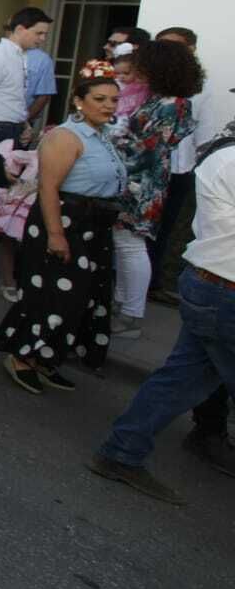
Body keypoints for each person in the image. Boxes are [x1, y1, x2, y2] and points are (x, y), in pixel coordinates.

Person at [89, 106, 235, 504]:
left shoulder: (223, 153)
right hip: (224, 289)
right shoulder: (231, 158)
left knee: (180, 379)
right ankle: (121, 452)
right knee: (180, 378)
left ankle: (121, 452)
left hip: (212, 284)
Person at [0, 65, 127, 393]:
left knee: (78, 299)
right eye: (99, 98)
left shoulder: (103, 136)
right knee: (51, 296)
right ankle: (20, 356)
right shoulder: (65, 136)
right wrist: (56, 234)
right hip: (64, 223)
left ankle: (45, 359)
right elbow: (49, 188)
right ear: (79, 101)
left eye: (114, 99)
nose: (109, 105)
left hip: (92, 228)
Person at [110, 39, 202, 339]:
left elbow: (147, 149)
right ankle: (122, 306)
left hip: (142, 184)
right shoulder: (159, 99)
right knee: (124, 245)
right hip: (138, 181)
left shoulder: (172, 104)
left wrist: (107, 143)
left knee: (132, 246)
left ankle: (131, 316)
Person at [0, 7, 52, 302]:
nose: (42, 39)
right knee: (7, 202)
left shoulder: (19, 57)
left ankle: (13, 271)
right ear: (20, 28)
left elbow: (14, 97)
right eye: (38, 32)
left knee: (15, 200)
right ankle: (8, 274)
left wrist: (25, 124)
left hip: (12, 129)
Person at [148, 27, 209, 307]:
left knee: (165, 230)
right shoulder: (148, 86)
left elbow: (201, 135)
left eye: (172, 47)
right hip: (150, 171)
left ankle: (154, 283)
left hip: (178, 170)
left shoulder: (196, 89)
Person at [24, 41, 58, 136]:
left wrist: (24, 120)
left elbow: (44, 95)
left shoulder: (42, 59)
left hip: (22, 121)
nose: (43, 38)